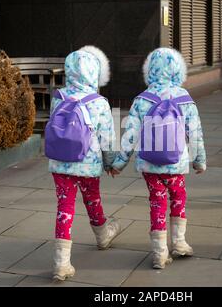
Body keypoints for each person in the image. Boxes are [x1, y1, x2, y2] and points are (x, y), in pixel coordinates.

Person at [110, 48, 207, 269]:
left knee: (157, 201)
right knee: (178, 197)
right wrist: (199, 160)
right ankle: (180, 242)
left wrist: (118, 163)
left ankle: (159, 252)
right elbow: (196, 133)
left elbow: (130, 136)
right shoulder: (184, 98)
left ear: (149, 71)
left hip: (149, 165)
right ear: (177, 71)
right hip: (176, 163)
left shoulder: (142, 100)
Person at [47, 46, 121, 281]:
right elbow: (107, 138)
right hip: (88, 165)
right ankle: (102, 235)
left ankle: (61, 263)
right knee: (92, 199)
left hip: (60, 163)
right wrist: (110, 163)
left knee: (64, 208)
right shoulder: (99, 102)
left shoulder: (58, 97)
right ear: (94, 74)